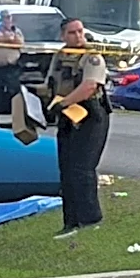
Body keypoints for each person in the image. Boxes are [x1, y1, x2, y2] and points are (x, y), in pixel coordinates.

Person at [47, 17, 112, 239]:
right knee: (66, 169)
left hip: (90, 115)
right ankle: (71, 222)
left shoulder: (92, 57)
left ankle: (91, 220)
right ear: (63, 36)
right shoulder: (60, 56)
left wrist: (63, 103)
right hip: (67, 116)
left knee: (82, 169)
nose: (78, 36)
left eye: (80, 31)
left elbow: (89, 87)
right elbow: (50, 83)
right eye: (72, 33)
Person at [0, 10, 24, 127]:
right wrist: (9, 40)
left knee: (15, 96)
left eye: (8, 17)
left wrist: (8, 39)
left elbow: (20, 43)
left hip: (12, 68)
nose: (7, 20)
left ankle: (17, 122)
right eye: (4, 18)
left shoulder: (16, 31)